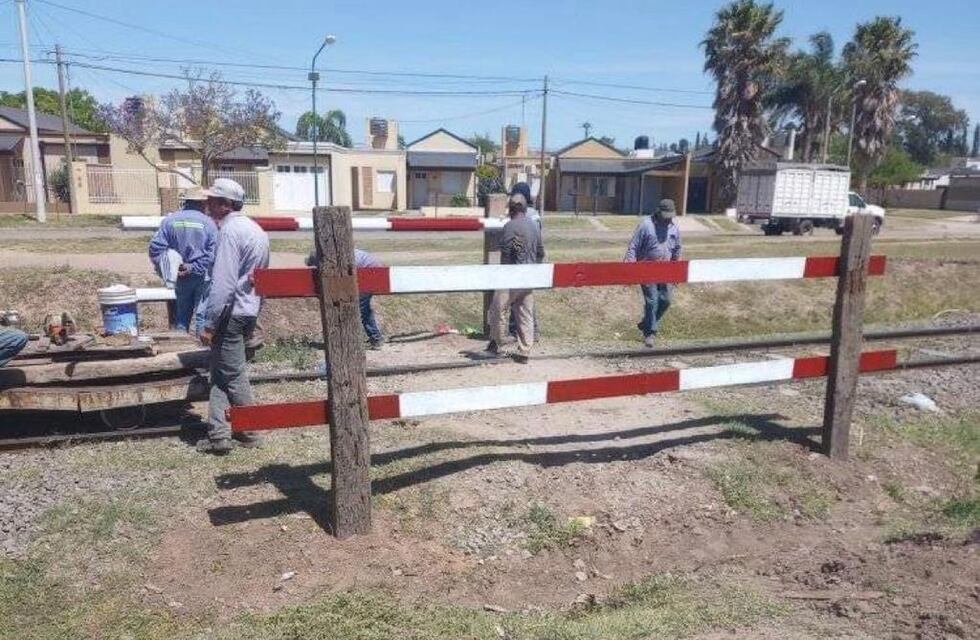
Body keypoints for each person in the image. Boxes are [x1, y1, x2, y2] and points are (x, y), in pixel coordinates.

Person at [198, 178, 269, 455]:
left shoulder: (229, 232)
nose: (207, 205)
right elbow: (260, 278)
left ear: (225, 205)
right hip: (247, 310)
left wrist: (210, 322)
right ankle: (219, 435)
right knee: (221, 374)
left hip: (230, 313)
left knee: (234, 375)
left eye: (212, 201)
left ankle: (250, 431)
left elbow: (223, 285)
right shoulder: (255, 230)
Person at [148, 187, 217, 334]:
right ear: (203, 203)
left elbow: (156, 249)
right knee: (201, 316)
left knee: (181, 317)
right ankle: (202, 351)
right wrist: (193, 267)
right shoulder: (209, 224)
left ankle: (180, 348)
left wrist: (171, 269)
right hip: (202, 277)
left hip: (179, 277)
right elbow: (214, 253)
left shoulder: (169, 221)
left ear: (186, 201)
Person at [487, 193, 544, 364]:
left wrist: (502, 277)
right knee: (525, 314)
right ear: (525, 208)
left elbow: (506, 254)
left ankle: (497, 344)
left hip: (512, 277)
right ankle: (525, 350)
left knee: (497, 309)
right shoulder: (534, 226)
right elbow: (541, 252)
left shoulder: (510, 227)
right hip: (528, 277)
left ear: (511, 208)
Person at [625, 198, 682, 348]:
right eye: (666, 214)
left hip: (666, 270)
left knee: (667, 300)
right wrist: (629, 269)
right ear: (658, 211)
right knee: (652, 301)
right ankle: (650, 333)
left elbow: (677, 249)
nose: (668, 218)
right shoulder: (645, 225)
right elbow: (633, 247)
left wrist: (677, 271)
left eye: (671, 215)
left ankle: (646, 323)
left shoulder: (674, 227)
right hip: (647, 269)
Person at [305, 248, 385, 349]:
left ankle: (369, 339)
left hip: (367, 272)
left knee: (358, 308)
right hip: (371, 270)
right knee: (362, 309)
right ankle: (372, 338)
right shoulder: (334, 253)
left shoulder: (333, 258)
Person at [508, 182, 542, 340]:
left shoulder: (522, 217)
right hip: (533, 260)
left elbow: (518, 241)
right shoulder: (535, 216)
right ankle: (532, 331)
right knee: (527, 300)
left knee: (515, 300)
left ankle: (516, 330)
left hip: (520, 262)